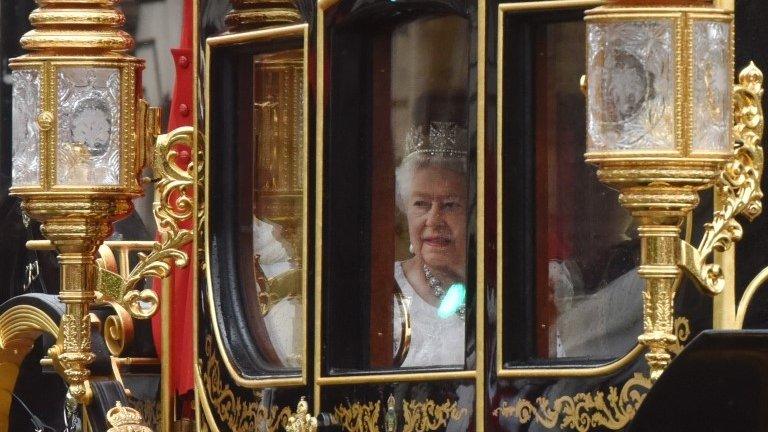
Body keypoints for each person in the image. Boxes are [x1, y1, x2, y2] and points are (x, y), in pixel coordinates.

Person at [392, 122, 469, 367]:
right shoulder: (385, 292)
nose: (434, 220)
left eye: (450, 204)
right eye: (421, 204)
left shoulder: (501, 287)